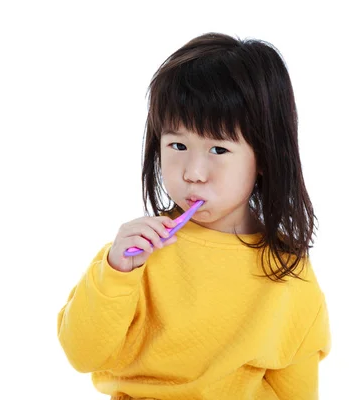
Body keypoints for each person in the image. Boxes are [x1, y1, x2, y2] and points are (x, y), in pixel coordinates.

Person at [57, 32, 331, 400]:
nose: (193, 172)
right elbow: (83, 353)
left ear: (265, 155)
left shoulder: (289, 274)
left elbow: (296, 392)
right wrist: (116, 273)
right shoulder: (135, 257)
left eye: (218, 148)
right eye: (178, 145)